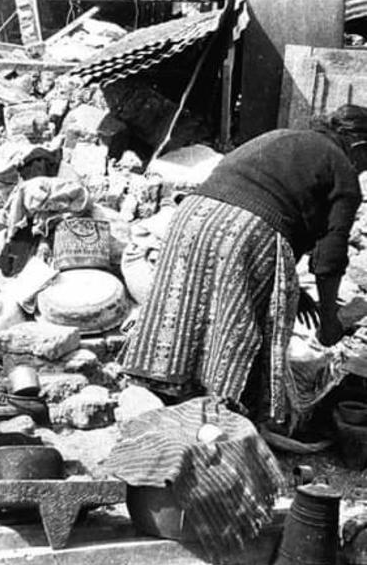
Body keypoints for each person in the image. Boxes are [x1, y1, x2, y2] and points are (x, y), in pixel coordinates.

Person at [121, 104, 367, 430]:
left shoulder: (284, 136)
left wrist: (297, 297)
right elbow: (329, 259)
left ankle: (166, 397)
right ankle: (227, 416)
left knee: (181, 309)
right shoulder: (343, 169)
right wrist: (329, 321)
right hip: (246, 228)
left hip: (192, 216)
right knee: (240, 324)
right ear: (360, 147)